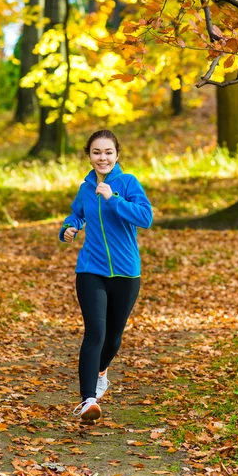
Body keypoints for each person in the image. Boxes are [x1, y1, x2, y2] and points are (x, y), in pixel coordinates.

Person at [59, 129, 153, 423]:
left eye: (108, 152)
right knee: (95, 334)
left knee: (113, 338)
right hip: (91, 270)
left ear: (117, 155)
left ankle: (101, 371)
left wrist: (113, 199)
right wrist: (69, 227)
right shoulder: (86, 187)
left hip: (126, 273)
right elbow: (77, 214)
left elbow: (145, 217)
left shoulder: (128, 183)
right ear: (89, 155)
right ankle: (88, 401)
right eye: (97, 152)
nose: (103, 157)